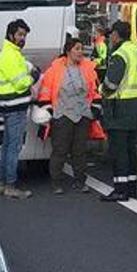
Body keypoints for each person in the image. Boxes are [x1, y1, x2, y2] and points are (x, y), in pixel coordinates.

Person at [35, 35, 100, 194]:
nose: (80, 52)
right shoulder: (54, 71)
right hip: (61, 115)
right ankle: (56, 182)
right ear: (68, 51)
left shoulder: (88, 69)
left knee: (80, 151)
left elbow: (95, 91)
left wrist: (95, 109)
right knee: (60, 150)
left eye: (82, 49)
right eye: (77, 49)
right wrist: (48, 109)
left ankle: (80, 181)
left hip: (83, 115)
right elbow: (45, 92)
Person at [100, 20, 137, 201]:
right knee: (129, 150)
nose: (110, 36)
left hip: (119, 107)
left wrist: (100, 91)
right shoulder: (136, 51)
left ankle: (120, 189)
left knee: (118, 151)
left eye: (111, 33)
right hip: (134, 106)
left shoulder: (120, 55)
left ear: (116, 35)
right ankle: (131, 187)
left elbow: (111, 84)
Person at [0, 18, 36, 198]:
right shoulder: (11, 55)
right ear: (10, 35)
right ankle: (10, 186)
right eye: (20, 34)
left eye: (24, 35)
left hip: (9, 106)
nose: (22, 38)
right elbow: (20, 84)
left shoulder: (12, 52)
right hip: (15, 106)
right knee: (14, 147)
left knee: (6, 146)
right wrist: (34, 77)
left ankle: (0, 183)